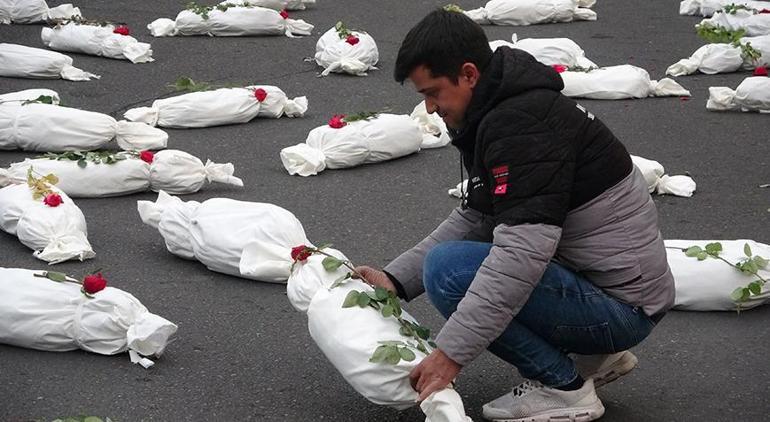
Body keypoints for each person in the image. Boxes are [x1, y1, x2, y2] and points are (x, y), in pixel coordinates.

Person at [353, 8, 675, 422]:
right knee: (453, 261)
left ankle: (564, 388)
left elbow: (520, 254)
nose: (431, 108)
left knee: (449, 272)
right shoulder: (506, 110)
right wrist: (395, 279)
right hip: (617, 292)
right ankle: (596, 358)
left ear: (469, 74)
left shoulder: (523, 127)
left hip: (623, 308)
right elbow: (476, 218)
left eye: (433, 92)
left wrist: (450, 355)